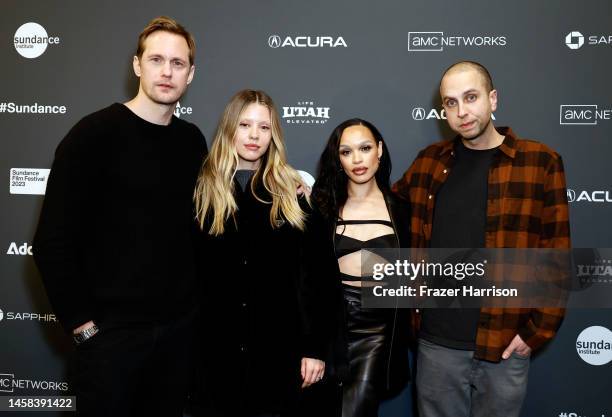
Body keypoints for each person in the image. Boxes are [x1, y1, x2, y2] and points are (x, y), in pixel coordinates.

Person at [32, 16, 207, 417]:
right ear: (137, 65)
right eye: (157, 59)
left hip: (178, 339)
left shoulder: (192, 141)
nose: (166, 71)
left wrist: (289, 185)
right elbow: (51, 241)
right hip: (111, 341)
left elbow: (216, 212)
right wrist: (84, 329)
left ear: (191, 73)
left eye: (178, 63)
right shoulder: (92, 135)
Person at [392, 61, 570, 417]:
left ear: (493, 99)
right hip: (436, 344)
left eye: (470, 97)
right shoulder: (429, 162)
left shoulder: (540, 162)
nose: (462, 112)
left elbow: (558, 256)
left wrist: (534, 333)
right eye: (451, 102)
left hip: (504, 345)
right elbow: (379, 206)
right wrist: (305, 190)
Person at [193, 89, 334, 417]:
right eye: (245, 125)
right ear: (230, 129)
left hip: (279, 354)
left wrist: (315, 348)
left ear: (274, 134)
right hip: (214, 354)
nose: (254, 135)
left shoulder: (292, 194)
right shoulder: (201, 191)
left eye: (264, 127)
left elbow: (318, 276)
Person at [309, 118, 411, 417]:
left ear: (379, 150)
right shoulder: (322, 206)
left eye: (365, 148)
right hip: (332, 324)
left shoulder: (402, 208)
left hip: (377, 329)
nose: (357, 159)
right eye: (346, 152)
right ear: (337, 159)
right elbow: (309, 276)